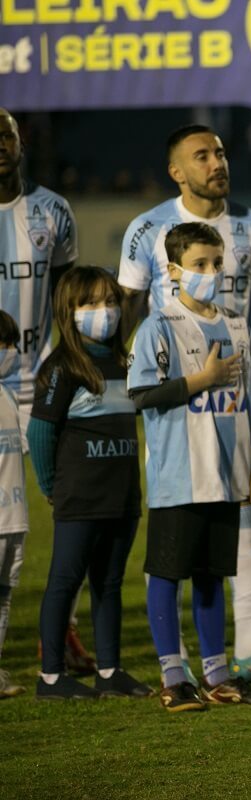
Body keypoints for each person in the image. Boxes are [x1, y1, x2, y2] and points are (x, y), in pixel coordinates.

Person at [117, 124, 251, 684]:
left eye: (221, 152)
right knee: (181, 532)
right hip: (179, 405)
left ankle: (250, 648)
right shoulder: (147, 229)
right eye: (202, 155)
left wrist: (237, 360)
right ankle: (176, 669)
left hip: (233, 390)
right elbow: (128, 307)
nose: (216, 162)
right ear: (177, 170)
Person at [128, 222, 251, 712]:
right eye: (199, 265)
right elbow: (142, 396)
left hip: (229, 472)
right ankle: (174, 675)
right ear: (173, 271)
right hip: (180, 476)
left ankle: (217, 674)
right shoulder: (158, 327)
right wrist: (202, 379)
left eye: (216, 263)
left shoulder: (237, 324)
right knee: (167, 576)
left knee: (213, 575)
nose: (211, 272)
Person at [0, 108, 94, 676]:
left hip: (38, 385)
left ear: (20, 141)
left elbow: (68, 299)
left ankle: (63, 631)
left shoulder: (52, 210)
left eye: (4, 136)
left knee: (74, 507)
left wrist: (72, 367)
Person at [30, 266, 150, 700]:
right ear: (69, 311)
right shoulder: (63, 367)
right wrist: (50, 485)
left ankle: (109, 670)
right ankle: (51, 677)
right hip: (80, 496)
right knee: (65, 581)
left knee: (110, 584)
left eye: (110, 301)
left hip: (122, 496)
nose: (104, 311)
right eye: (90, 303)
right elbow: (40, 433)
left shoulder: (125, 363)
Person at [0, 311, 28, 698]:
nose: (8, 352)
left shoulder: (8, 395)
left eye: (10, 345)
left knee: (4, 593)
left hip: (15, 517)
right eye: (2, 345)